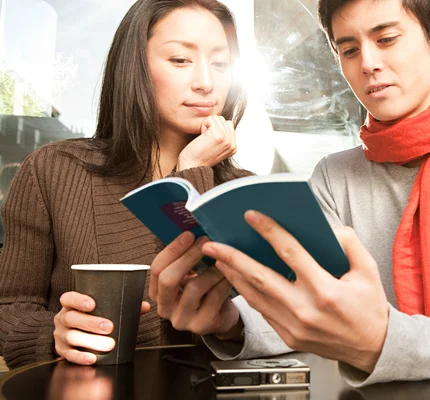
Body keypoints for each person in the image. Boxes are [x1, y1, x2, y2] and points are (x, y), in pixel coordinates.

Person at [150, 0, 430, 399]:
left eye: (386, 39)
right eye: (349, 49)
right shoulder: (334, 174)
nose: (367, 63)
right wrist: (231, 322)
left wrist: (381, 342)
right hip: (377, 386)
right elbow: (310, 301)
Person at [0, 0, 251, 368]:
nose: (206, 83)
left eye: (220, 64)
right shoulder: (53, 170)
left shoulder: (245, 192)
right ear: (134, 67)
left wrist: (192, 170)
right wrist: (53, 334)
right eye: (180, 60)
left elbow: (258, 326)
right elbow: (9, 309)